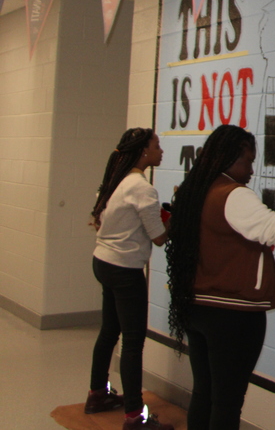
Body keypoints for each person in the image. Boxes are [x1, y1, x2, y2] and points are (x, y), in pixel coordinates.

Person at [165, 125, 275, 430]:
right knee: (227, 403)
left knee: (205, 393)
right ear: (228, 158)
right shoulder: (233, 195)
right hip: (232, 315)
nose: (252, 170)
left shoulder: (196, 190)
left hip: (197, 307)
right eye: (247, 161)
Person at [86, 127, 174, 430]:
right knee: (133, 342)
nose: (161, 151)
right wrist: (178, 216)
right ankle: (135, 417)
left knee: (109, 331)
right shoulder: (142, 188)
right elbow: (160, 238)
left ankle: (98, 395)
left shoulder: (115, 181)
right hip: (124, 270)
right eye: (156, 146)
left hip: (104, 262)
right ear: (143, 152)